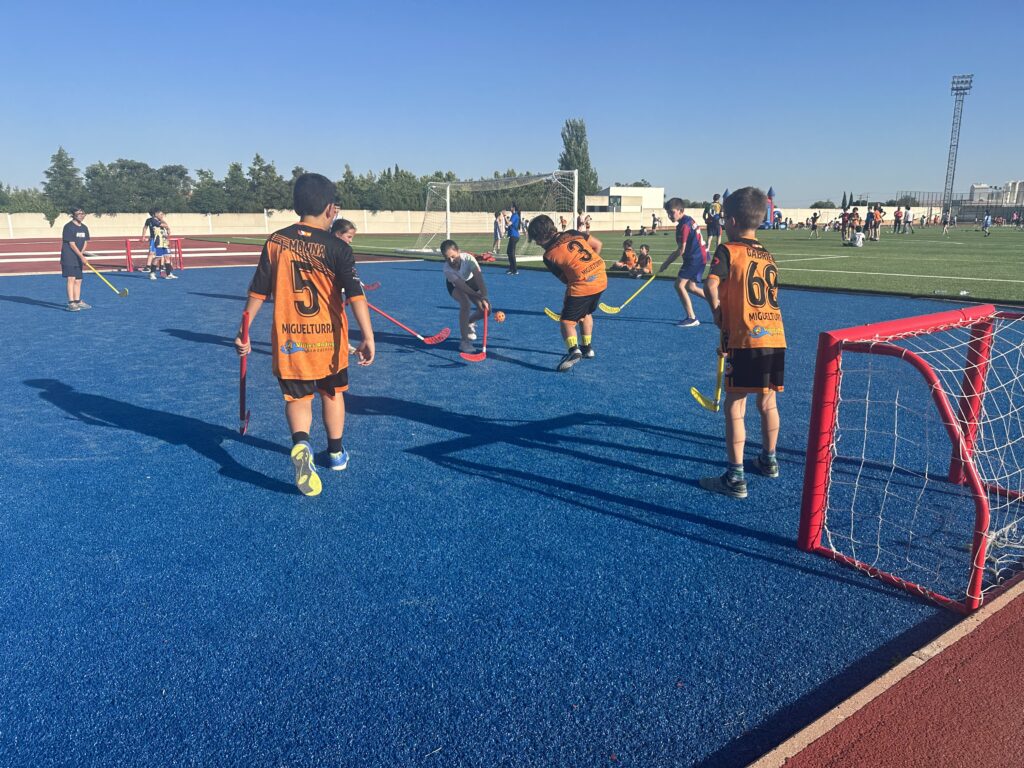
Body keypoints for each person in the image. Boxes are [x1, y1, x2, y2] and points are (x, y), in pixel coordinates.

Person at [234, 173, 375, 497]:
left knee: (298, 398)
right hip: (330, 342)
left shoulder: (276, 242)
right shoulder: (338, 247)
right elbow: (355, 296)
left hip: (290, 340)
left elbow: (258, 291)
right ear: (330, 209)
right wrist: (368, 336)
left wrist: (243, 330)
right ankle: (336, 453)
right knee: (332, 393)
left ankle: (301, 444)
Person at [699, 186, 785, 499]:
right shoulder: (767, 254)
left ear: (732, 221)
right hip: (774, 335)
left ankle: (735, 477)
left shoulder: (727, 250)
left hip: (745, 337)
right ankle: (769, 460)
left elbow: (710, 286)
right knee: (768, 402)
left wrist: (719, 316)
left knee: (735, 403)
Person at [527, 214, 606, 372]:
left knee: (567, 322)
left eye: (536, 238)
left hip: (583, 285)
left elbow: (565, 279)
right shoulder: (573, 232)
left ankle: (573, 351)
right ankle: (587, 348)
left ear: (542, 236)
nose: (536, 242)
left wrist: (581, 277)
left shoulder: (549, 255)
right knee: (586, 313)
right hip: (601, 278)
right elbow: (597, 245)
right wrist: (592, 268)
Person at [658, 197, 707, 327]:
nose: (669, 215)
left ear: (681, 211)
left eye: (672, 212)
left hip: (694, 258)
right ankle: (718, 303)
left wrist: (666, 263)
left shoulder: (684, 226)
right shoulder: (688, 220)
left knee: (679, 285)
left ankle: (692, 318)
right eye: (668, 213)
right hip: (701, 256)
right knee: (691, 287)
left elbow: (681, 250)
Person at [441, 239, 490, 353]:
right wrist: (478, 296)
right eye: (447, 258)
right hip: (455, 286)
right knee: (465, 304)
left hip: (471, 281)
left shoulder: (469, 259)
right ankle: (464, 342)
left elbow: (479, 278)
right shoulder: (447, 269)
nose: (451, 260)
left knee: (486, 310)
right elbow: (462, 287)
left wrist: (484, 296)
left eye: (453, 256)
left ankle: (468, 322)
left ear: (459, 251)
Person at [60, 206, 91, 311]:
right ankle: (71, 303)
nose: (82, 216)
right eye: (79, 214)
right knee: (71, 279)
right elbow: (72, 244)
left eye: (83, 214)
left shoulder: (84, 228)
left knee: (79, 280)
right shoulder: (68, 227)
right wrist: (81, 256)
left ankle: (78, 301)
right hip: (69, 256)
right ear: (73, 215)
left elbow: (86, 242)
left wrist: (81, 254)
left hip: (78, 256)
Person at [506, 203, 521, 275]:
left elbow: (509, 223)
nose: (510, 208)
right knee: (508, 252)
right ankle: (511, 268)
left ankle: (515, 270)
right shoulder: (513, 215)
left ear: (514, 208)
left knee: (511, 253)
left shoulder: (515, 215)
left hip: (514, 236)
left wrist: (504, 216)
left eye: (511, 207)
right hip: (512, 236)